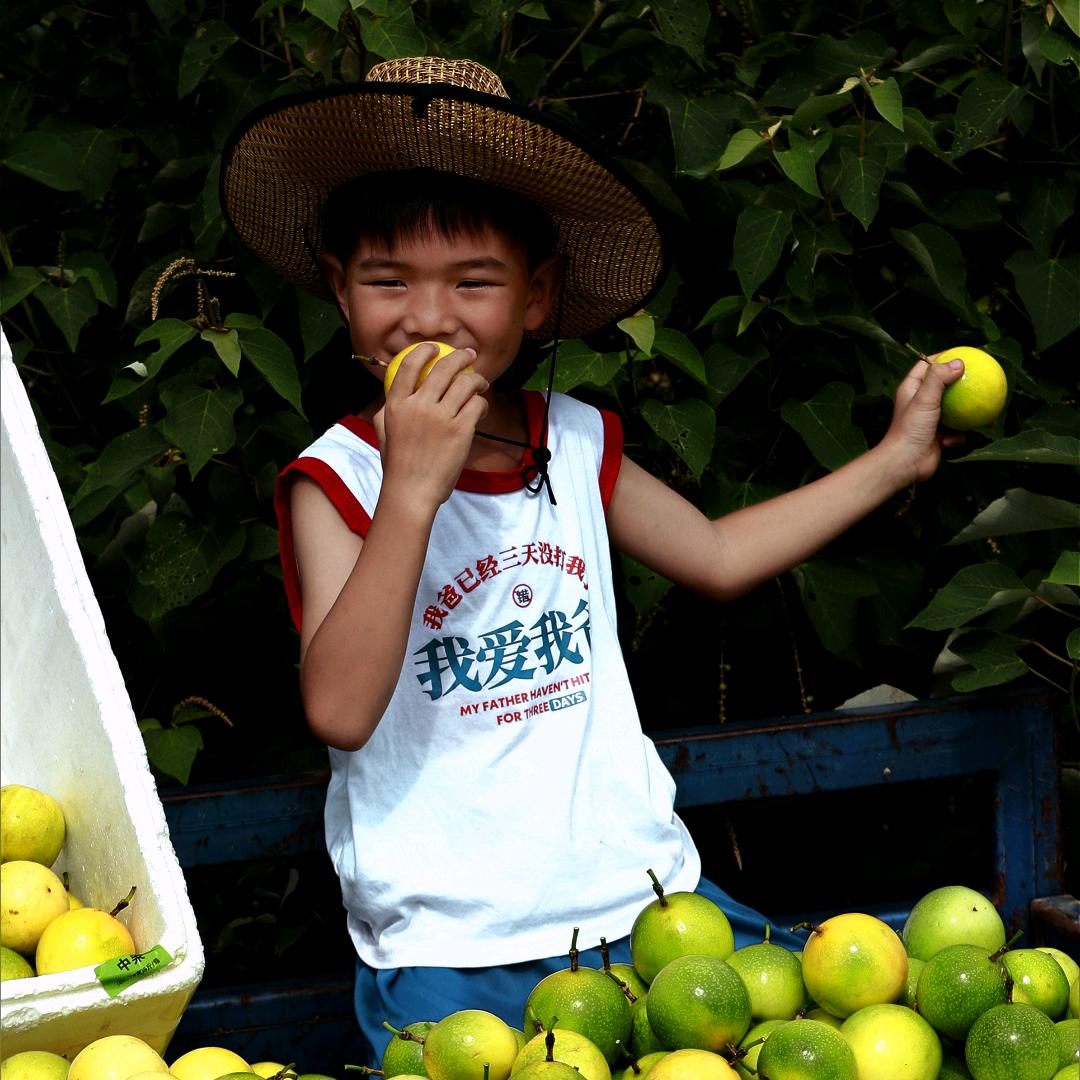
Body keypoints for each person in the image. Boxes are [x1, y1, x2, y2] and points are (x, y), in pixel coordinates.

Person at [220, 56, 964, 1064]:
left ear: (537, 298)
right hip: (452, 949)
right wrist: (412, 493)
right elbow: (341, 711)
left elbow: (717, 553)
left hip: (648, 910)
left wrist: (892, 462)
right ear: (342, 295)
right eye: (388, 281)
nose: (430, 318)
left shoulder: (571, 441)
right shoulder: (340, 478)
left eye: (473, 282)